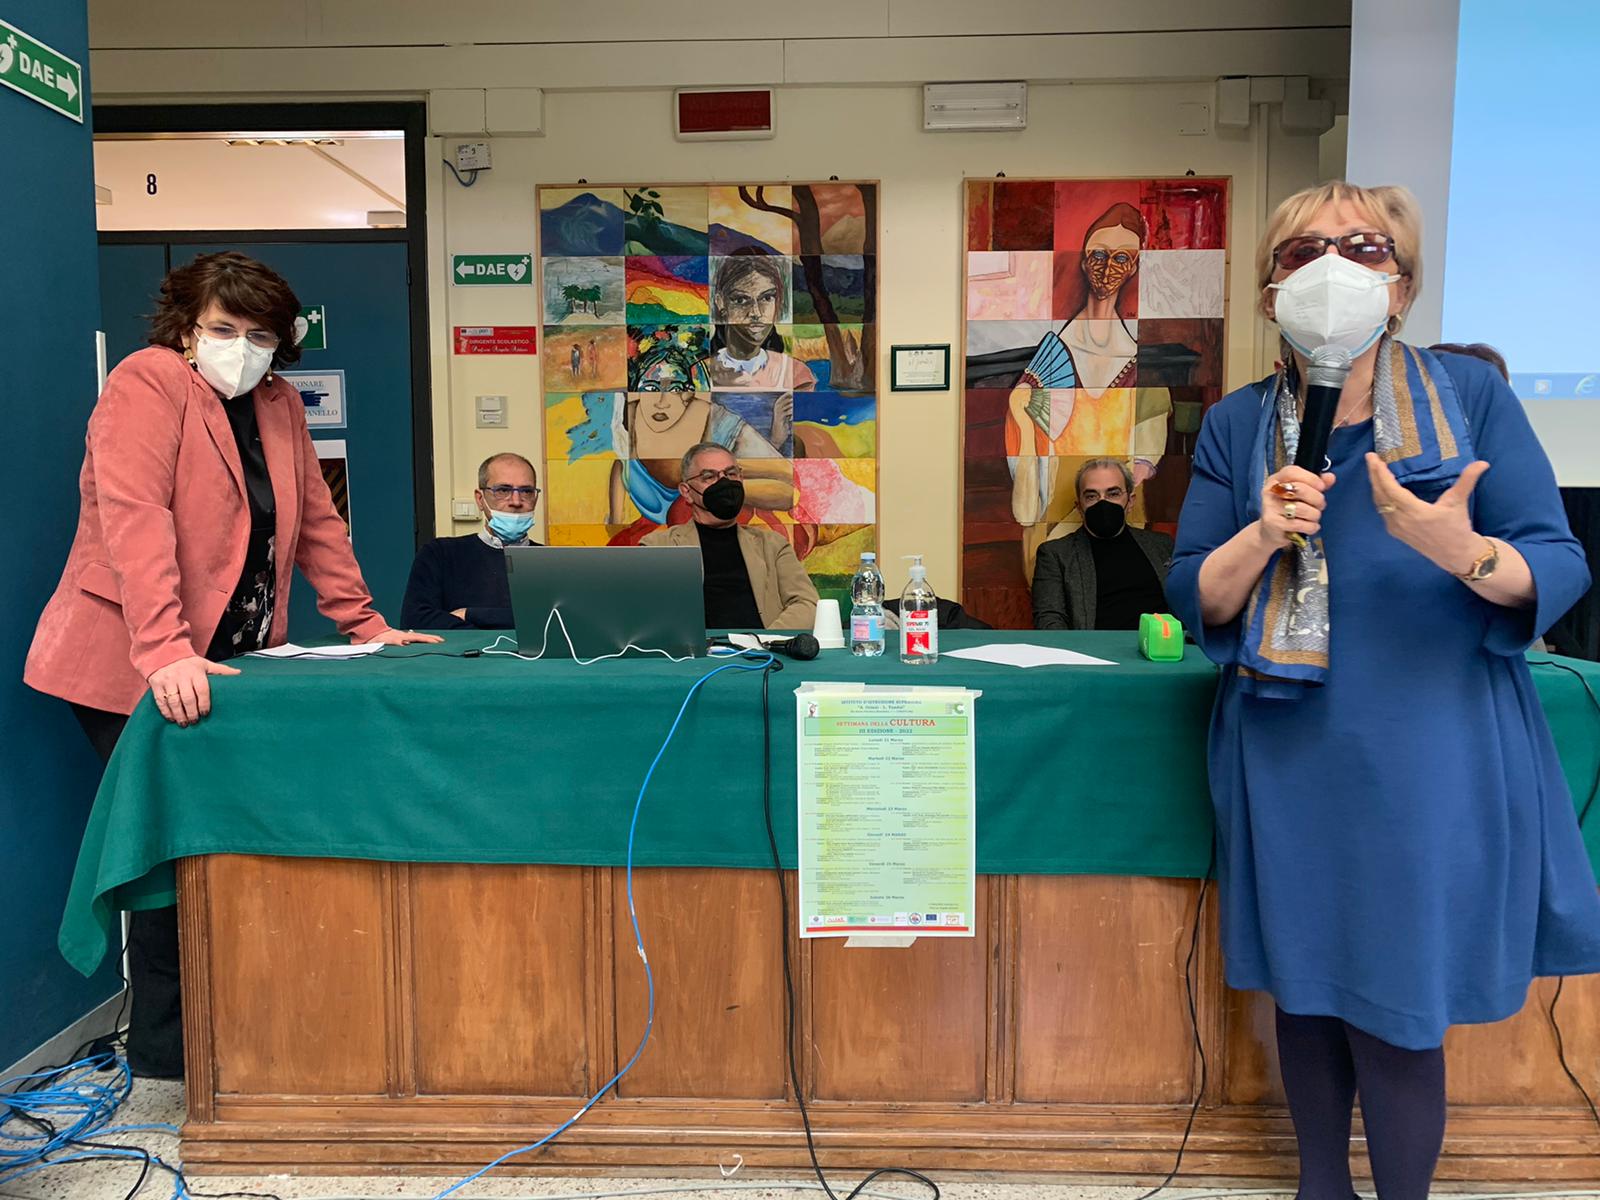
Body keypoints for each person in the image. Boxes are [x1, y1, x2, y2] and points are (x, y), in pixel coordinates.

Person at [1165, 181, 1600, 1199]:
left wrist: (1464, 551)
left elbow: (1557, 563)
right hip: (1286, 740)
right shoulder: (1238, 422)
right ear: (1270, 291)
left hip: (1430, 744)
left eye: (1362, 248)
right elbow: (1195, 594)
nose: (1330, 268)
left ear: (1401, 287)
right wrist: (1262, 532)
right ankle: (1321, 1188)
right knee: (1306, 987)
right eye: (1301, 251)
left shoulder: (1470, 395)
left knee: (1400, 997)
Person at [24, 251, 439, 1078]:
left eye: (260, 335)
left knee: (218, 841)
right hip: (131, 657)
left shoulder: (278, 403)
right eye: (223, 328)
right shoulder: (147, 383)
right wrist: (164, 652)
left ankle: (229, 1025)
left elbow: (316, 519)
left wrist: (364, 624)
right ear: (186, 328)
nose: (241, 348)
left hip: (231, 655)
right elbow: (134, 520)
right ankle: (169, 1051)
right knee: (175, 844)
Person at [1005, 203, 1171, 578]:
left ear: (1134, 267)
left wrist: (1107, 504)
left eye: (1121, 257)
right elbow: (1026, 456)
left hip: (1123, 522)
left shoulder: (1140, 362)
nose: (1107, 266)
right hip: (1053, 511)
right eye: (1098, 254)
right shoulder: (1052, 351)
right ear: (1083, 260)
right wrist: (1020, 412)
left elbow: (1147, 455)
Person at [641, 443, 817, 630]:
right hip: (695, 648)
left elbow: (807, 603)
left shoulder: (773, 545)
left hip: (761, 647)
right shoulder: (658, 547)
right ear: (687, 492)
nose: (724, 483)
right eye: (709, 476)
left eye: (731, 474)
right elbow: (641, 613)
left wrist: (764, 641)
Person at [401, 453, 541, 630]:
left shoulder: (555, 562)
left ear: (535, 499)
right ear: (480, 499)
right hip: (462, 650)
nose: (516, 501)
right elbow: (415, 621)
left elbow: (561, 622)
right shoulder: (439, 554)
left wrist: (469, 614)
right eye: (503, 490)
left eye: (526, 491)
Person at [1032, 458, 1172, 630]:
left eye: (1113, 494)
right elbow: (1049, 621)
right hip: (1093, 646)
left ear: (1130, 502)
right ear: (1079, 507)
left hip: (1161, 644)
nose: (1103, 503)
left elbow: (1188, 605)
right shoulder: (1056, 554)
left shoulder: (1162, 546)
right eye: (1091, 496)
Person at [694, 250, 817, 391]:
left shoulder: (796, 374)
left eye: (767, 298)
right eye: (741, 300)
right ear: (720, 302)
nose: (756, 313)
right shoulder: (698, 374)